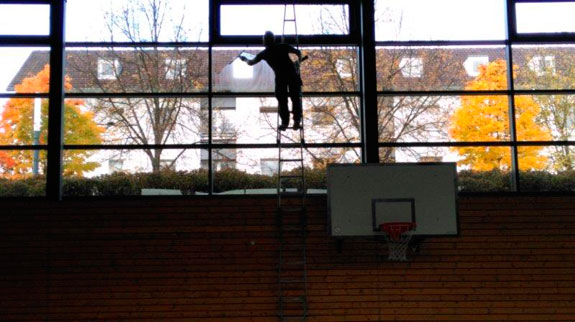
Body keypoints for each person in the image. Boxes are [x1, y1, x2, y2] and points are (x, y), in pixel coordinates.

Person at [240, 31, 303, 131]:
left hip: (280, 77)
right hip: (292, 75)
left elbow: (251, 62)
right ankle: (296, 121)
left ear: (264, 41)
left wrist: (244, 59)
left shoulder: (265, 53)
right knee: (295, 98)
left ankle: (285, 123)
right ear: (273, 39)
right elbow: (298, 52)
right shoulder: (283, 46)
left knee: (282, 100)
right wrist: (298, 64)